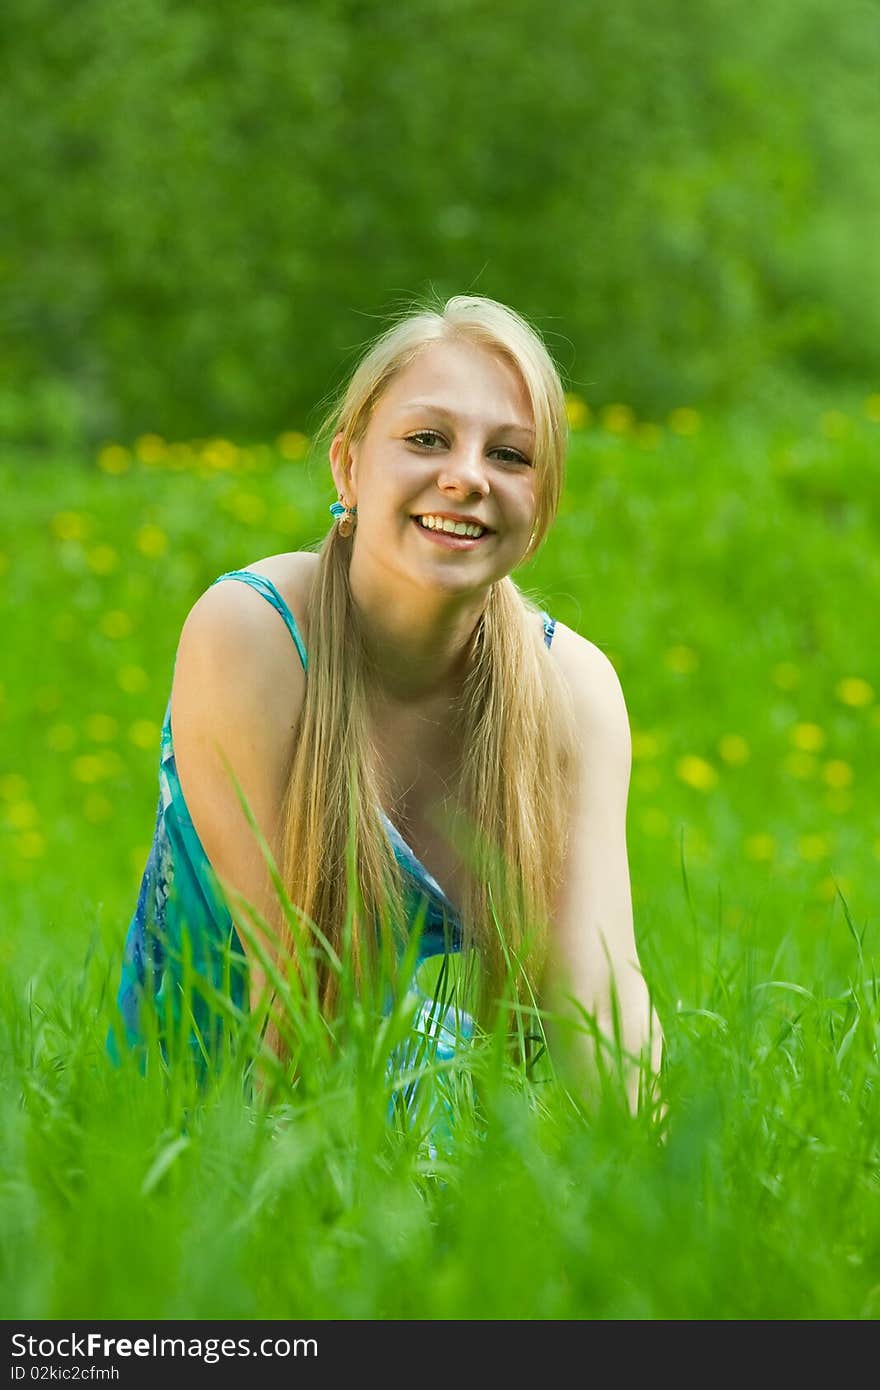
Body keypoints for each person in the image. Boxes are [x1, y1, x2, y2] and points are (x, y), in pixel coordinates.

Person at [108, 292, 663, 1118]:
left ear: (540, 508)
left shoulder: (573, 693)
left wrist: (647, 1201)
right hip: (203, 1116)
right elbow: (291, 998)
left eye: (511, 456)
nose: (467, 476)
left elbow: (600, 1001)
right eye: (427, 439)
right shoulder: (255, 633)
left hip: (425, 1124)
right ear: (349, 468)